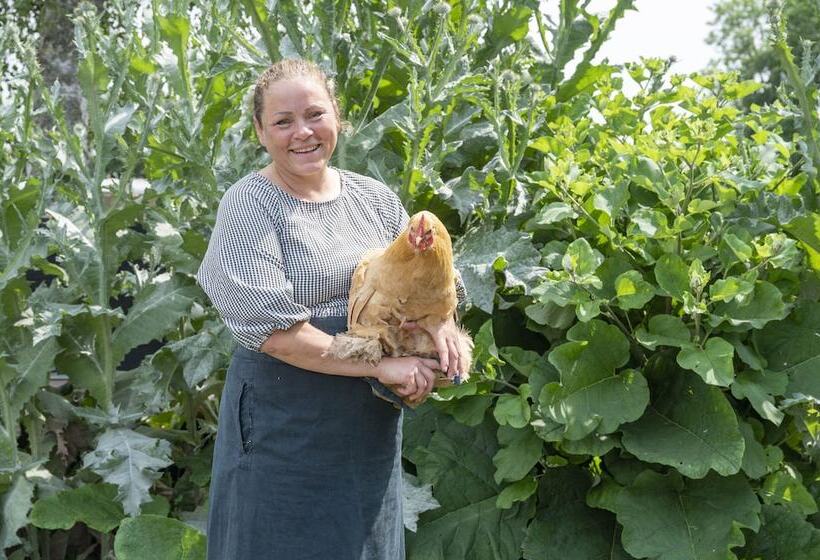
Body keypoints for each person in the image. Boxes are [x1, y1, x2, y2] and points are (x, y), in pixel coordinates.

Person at [196, 58, 468, 560]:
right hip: (285, 422)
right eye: (282, 121)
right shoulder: (250, 204)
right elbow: (277, 334)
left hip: (363, 429)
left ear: (337, 118)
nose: (302, 132)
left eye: (315, 115)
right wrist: (385, 364)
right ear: (260, 131)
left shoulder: (374, 199)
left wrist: (442, 323)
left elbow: (427, 277)